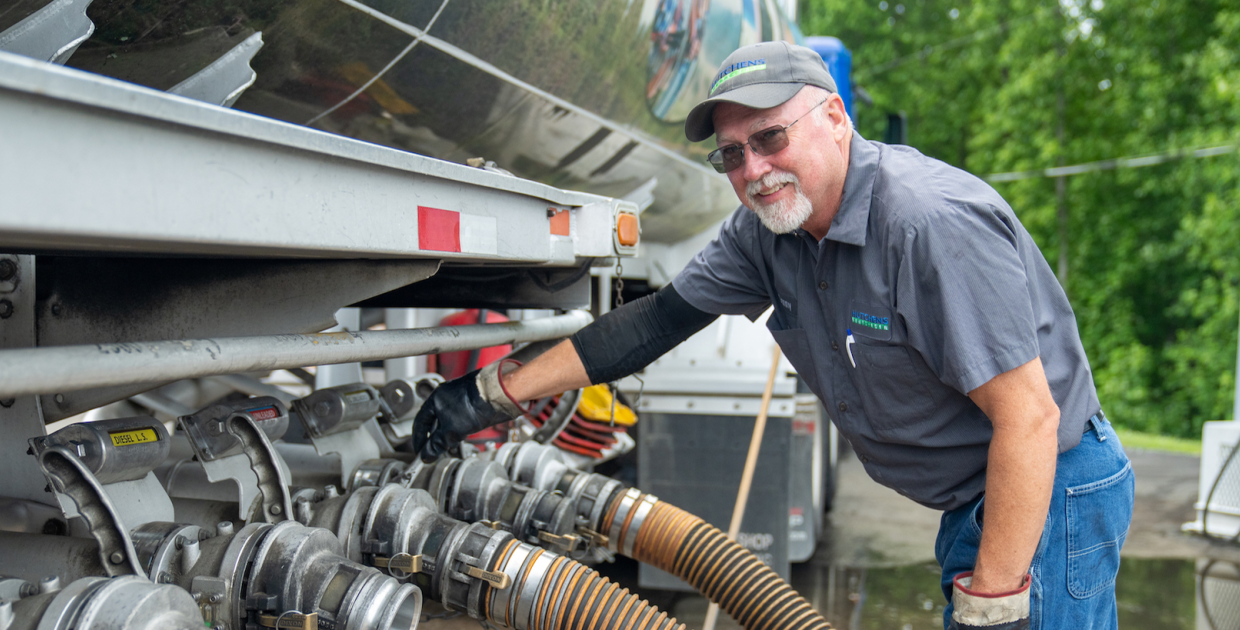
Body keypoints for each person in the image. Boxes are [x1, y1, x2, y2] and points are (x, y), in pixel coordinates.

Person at [412, 41, 1133, 630]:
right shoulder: (765, 235)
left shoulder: (925, 224)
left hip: (1052, 486)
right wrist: (488, 394)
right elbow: (652, 324)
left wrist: (996, 605)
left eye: (771, 138)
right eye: (732, 154)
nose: (754, 170)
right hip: (976, 495)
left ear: (837, 118)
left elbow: (1030, 419)